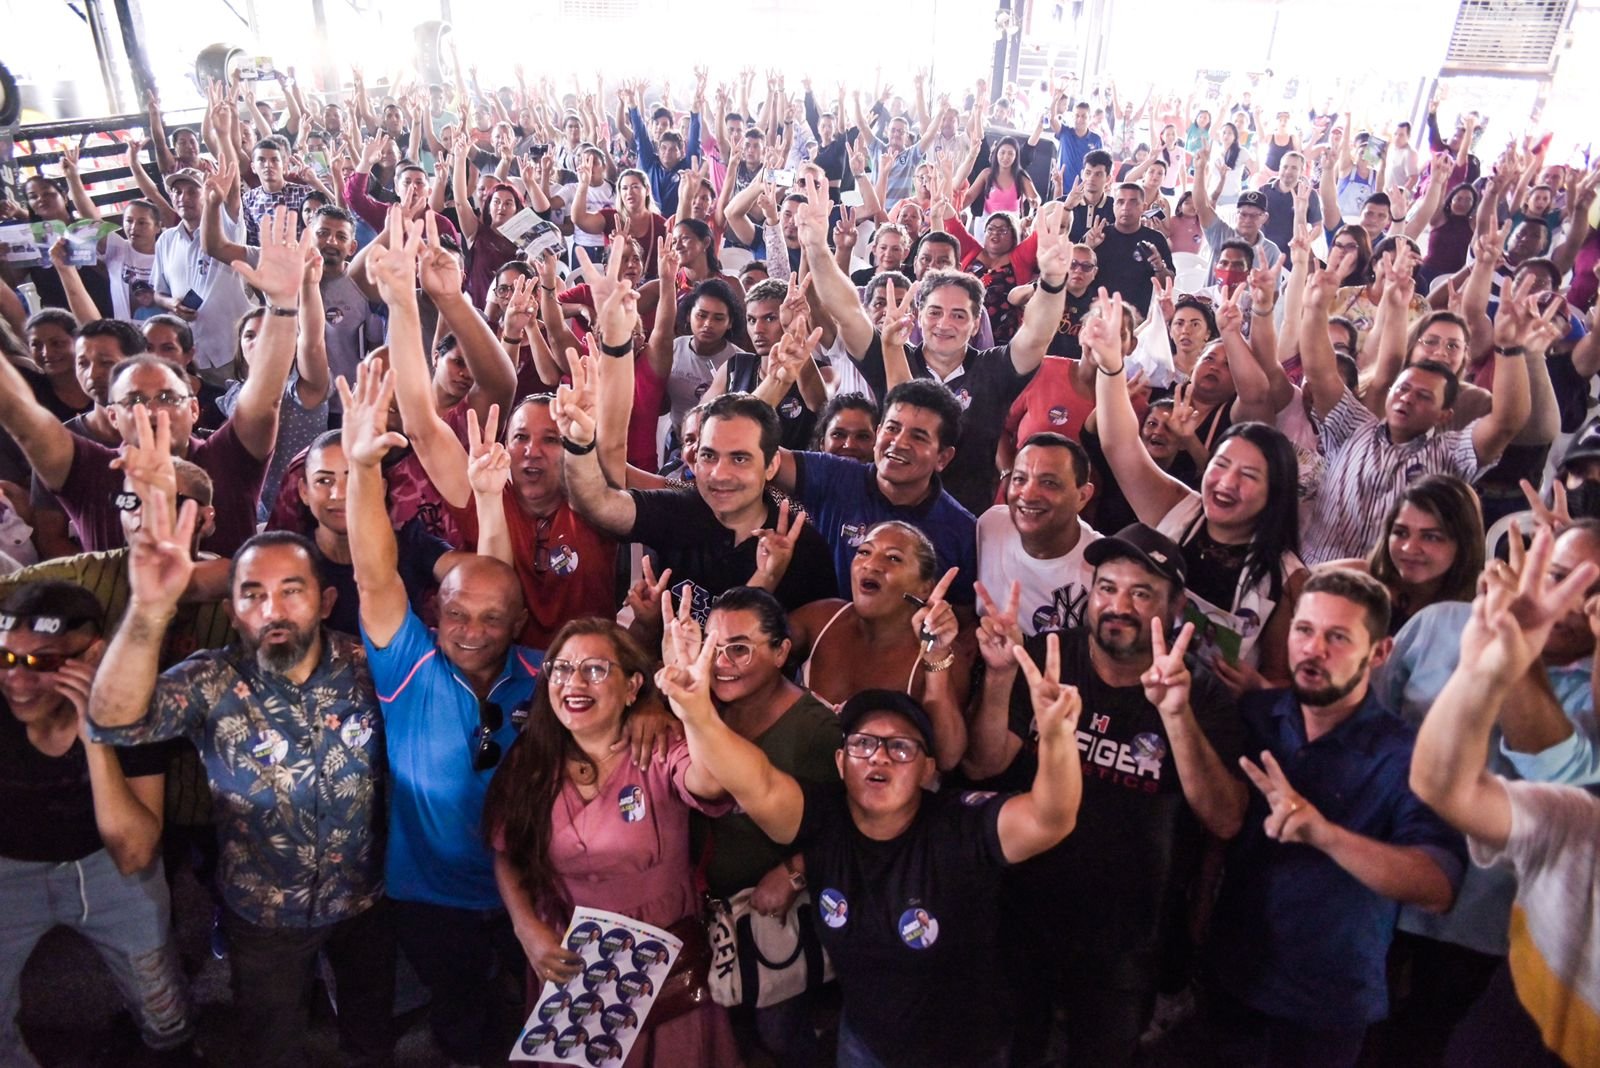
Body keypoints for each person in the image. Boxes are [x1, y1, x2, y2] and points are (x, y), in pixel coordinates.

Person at [658, 600, 1083, 1068]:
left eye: (900, 746)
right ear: (841, 764)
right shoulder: (826, 821)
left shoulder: (960, 827)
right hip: (862, 1043)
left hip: (964, 1051)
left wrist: (1057, 739)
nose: (878, 756)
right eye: (862, 743)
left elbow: (1049, 819)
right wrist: (696, 712)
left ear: (928, 769)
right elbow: (756, 782)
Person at [88, 510, 395, 1068]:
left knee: (371, 1032)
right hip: (262, 912)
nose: (272, 610)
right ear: (231, 613)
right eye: (253, 595)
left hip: (365, 898)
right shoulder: (210, 679)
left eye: (291, 591)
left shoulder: (368, 667)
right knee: (270, 1043)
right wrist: (148, 610)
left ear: (326, 601)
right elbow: (114, 722)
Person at [963, 522, 1244, 1066]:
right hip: (1020, 914)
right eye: (1107, 588)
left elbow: (1226, 820)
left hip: (1125, 939)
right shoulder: (1049, 658)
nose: (1119, 606)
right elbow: (982, 764)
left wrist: (1176, 715)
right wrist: (998, 678)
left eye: (1142, 593)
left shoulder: (1197, 691)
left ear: (1176, 607)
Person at [340, 361, 538, 1067]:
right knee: (459, 1015)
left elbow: (494, 583)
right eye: (456, 616)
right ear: (435, 613)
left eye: (491, 620)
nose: (472, 631)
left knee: (534, 1005)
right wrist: (364, 469)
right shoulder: (409, 665)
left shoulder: (548, 677)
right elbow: (374, 575)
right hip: (430, 899)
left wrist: (490, 503)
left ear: (518, 625)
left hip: (532, 888)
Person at [1195, 568, 1466, 1068]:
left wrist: (1325, 835)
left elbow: (1437, 886)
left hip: (1325, 1005)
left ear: (1380, 653)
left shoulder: (1410, 757)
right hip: (1231, 976)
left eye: (1337, 637)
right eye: (1304, 630)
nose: (1313, 649)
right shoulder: (1256, 715)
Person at [482, 618, 742, 1067]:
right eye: (562, 669)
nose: (574, 683)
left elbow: (712, 783)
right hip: (569, 951)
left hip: (661, 953)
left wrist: (693, 709)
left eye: (596, 669)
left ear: (632, 687)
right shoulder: (531, 759)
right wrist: (526, 928)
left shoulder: (660, 743)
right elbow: (507, 851)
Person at [0, 208, 305, 557]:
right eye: (134, 400)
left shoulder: (228, 458)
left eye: (167, 397)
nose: (152, 410)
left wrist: (283, 305)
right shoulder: (88, 471)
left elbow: (266, 397)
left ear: (194, 409)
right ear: (113, 416)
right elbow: (21, 417)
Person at [1408, 527, 1600, 1068]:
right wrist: (1487, 667)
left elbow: (1568, 768)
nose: (1570, 604)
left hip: (1479, 928)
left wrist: (1509, 669)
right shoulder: (1580, 828)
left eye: (1593, 596)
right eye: (1559, 577)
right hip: (1393, 893)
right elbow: (1440, 782)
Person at [0, 580, 194, 1068]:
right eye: (6, 658)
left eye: (42, 662)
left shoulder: (131, 705)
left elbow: (134, 852)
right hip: (9, 869)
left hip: (107, 866)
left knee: (163, 1011)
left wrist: (95, 735)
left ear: (92, 656)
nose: (17, 680)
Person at [800, 171, 1076, 512]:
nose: (944, 324)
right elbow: (848, 312)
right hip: (890, 515)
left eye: (958, 315)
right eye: (935, 312)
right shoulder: (893, 354)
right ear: (919, 316)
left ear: (976, 324)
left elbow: (1037, 335)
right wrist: (817, 247)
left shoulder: (994, 368)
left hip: (965, 521)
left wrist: (1052, 280)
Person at [1087, 292, 1305, 684]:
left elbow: (1283, 678)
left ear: (1275, 492)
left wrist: (1256, 689)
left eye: (1248, 475)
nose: (1226, 482)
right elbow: (1119, 445)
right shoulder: (1180, 509)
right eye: (1221, 465)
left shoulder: (1287, 578)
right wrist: (1110, 366)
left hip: (1212, 714)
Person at [1296, 245, 1544, 565]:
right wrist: (1316, 308)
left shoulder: (1449, 454)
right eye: (1403, 389)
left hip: (1388, 586)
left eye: (1424, 396)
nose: (1408, 397)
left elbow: (1508, 421)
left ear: (1444, 414)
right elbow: (1321, 372)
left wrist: (1510, 348)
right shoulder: (1354, 424)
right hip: (1312, 571)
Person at [694, 587, 841, 1067]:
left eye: (739, 648)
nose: (721, 663)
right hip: (706, 907)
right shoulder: (700, 708)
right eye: (713, 646)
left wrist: (794, 872)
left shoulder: (816, 729)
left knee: (777, 1032)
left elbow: (850, 824)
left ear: (781, 653)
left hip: (772, 917)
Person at [976, 432, 1101, 635]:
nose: (1028, 494)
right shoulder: (990, 525)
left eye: (1049, 483)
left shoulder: (1102, 566)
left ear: (1082, 496)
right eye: (1019, 479)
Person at [1327, 474, 1484, 634]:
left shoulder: (1480, 612)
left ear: (1463, 543)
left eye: (1430, 537)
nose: (1409, 548)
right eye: (1401, 533)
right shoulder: (1349, 581)